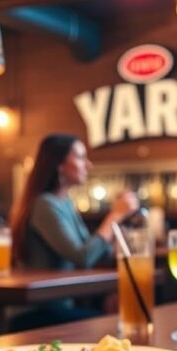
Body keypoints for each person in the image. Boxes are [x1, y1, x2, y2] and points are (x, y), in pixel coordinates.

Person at [7, 134, 139, 329]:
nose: (88, 164)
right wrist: (115, 216)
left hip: (59, 306)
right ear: (59, 165)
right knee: (115, 325)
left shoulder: (64, 203)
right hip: (37, 311)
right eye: (80, 157)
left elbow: (93, 251)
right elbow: (83, 257)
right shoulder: (44, 204)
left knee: (124, 315)